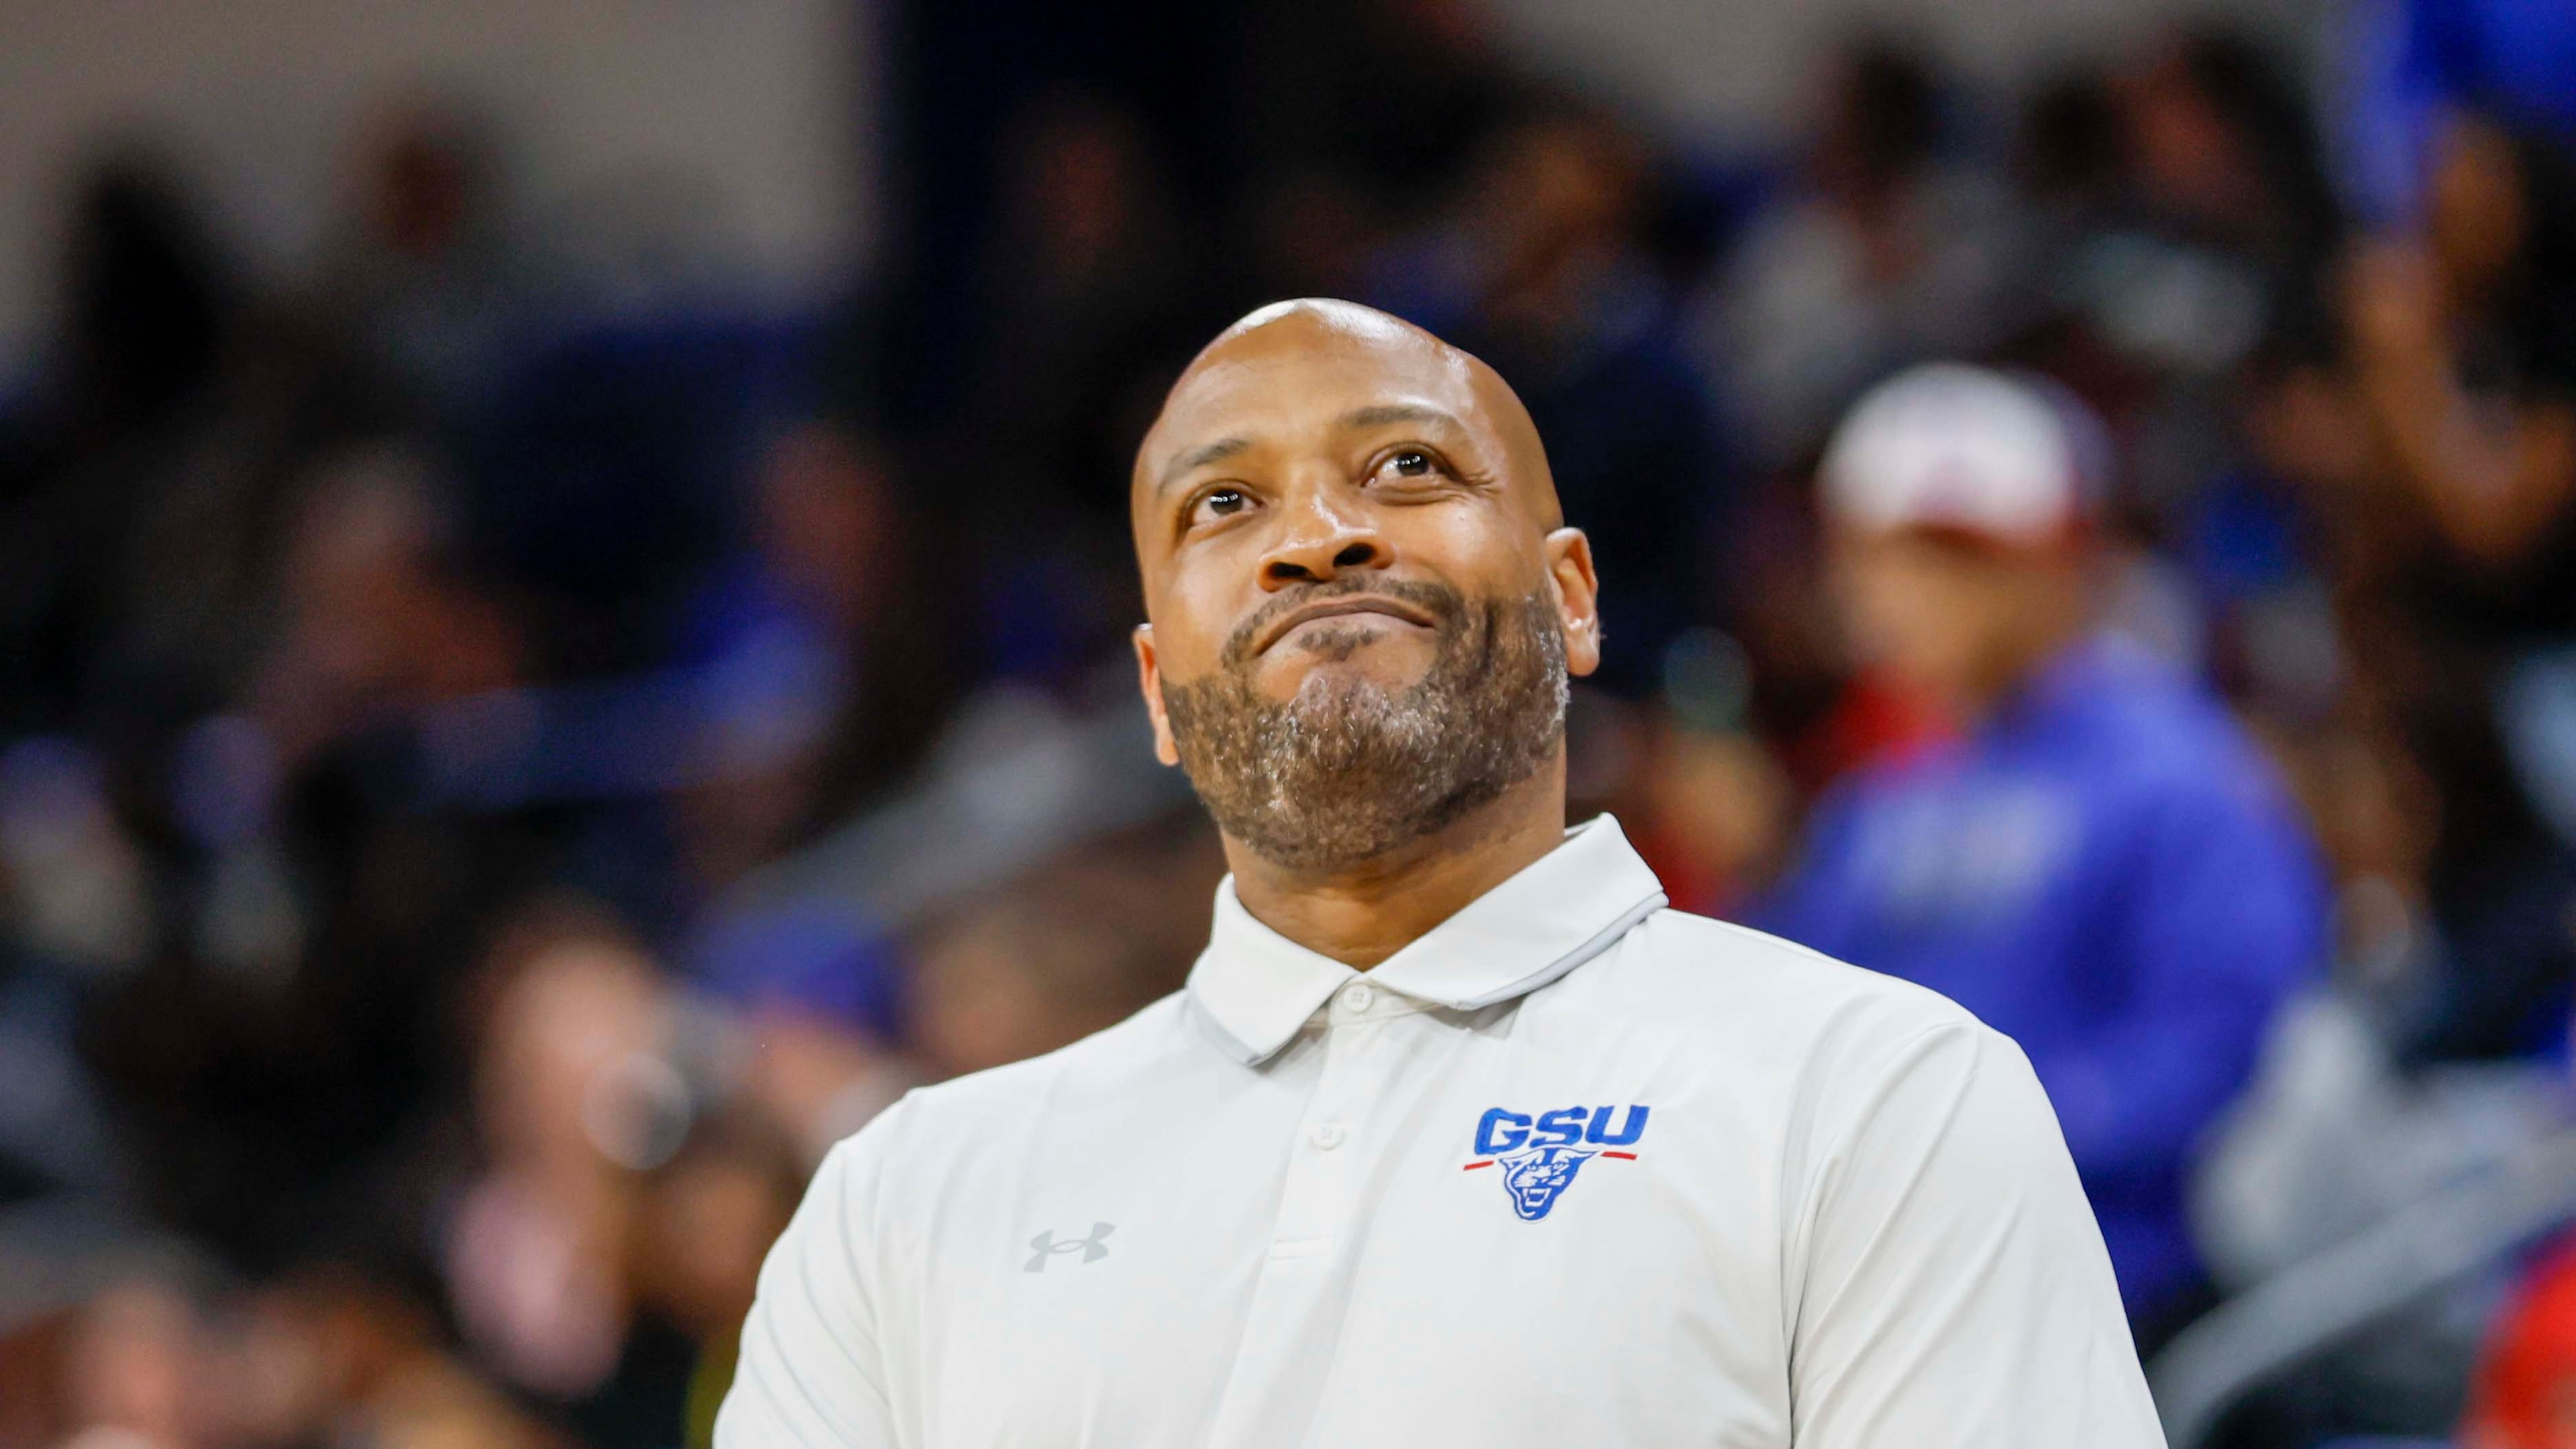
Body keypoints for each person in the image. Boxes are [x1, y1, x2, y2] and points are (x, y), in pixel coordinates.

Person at [717, 301, 2159, 1446]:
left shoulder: (1877, 1101)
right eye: (1224, 505)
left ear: (1574, 599)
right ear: (1154, 691)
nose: (1316, 538)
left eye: (1407, 467)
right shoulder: (905, 1202)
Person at [1758, 363, 2328, 1349]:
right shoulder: (1881, 800)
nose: (1898, 593)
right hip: (1885, 1287)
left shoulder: (2177, 775)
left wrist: (1961, 1140)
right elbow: (1792, 1028)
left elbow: (2213, 1052)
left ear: (2060, 558)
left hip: (2102, 1300)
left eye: (1950, 555)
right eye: (1874, 554)